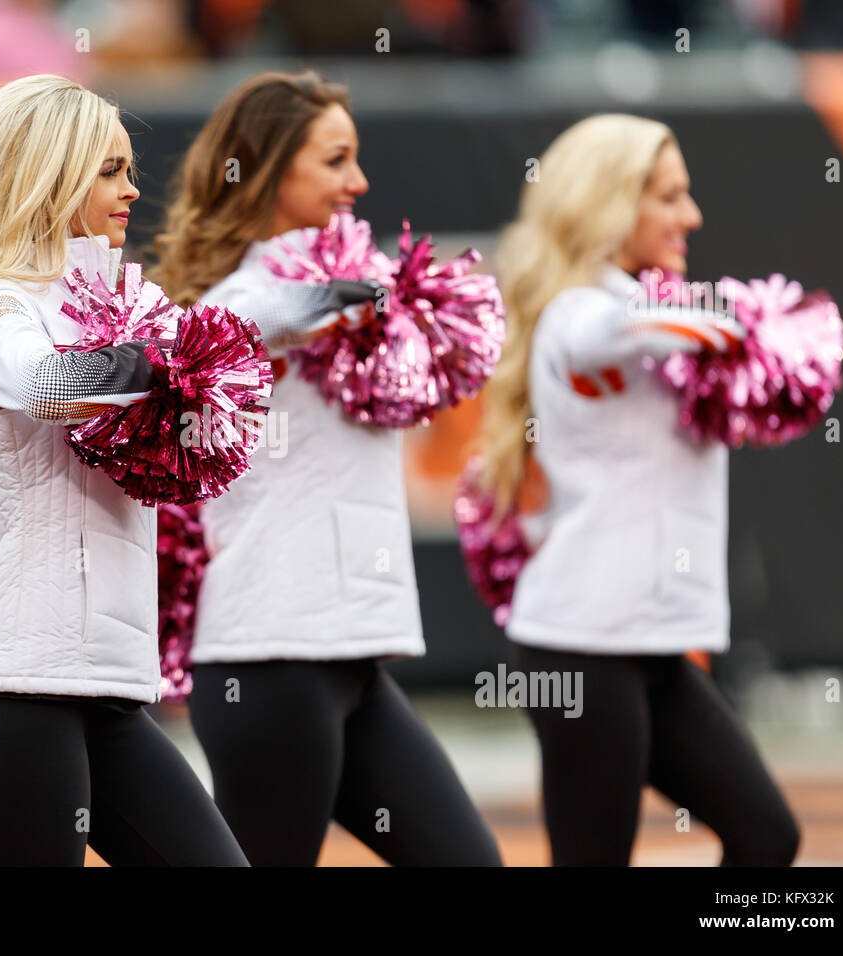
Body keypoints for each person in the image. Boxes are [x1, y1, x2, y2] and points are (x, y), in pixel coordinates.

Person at [151, 70, 502, 867]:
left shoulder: (336, 299)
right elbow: (267, 312)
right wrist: (369, 294)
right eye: (336, 160)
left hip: (348, 658)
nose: (360, 181)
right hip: (269, 657)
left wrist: (367, 297)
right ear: (271, 170)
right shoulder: (239, 307)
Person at [0, 74, 248, 867]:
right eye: (109, 170)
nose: (132, 189)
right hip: (16, 682)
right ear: (43, 174)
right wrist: (174, 362)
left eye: (129, 169)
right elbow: (47, 385)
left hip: (108, 684)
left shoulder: (122, 305)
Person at [478, 113, 801, 866]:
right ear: (609, 204)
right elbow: (610, 333)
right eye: (668, 197)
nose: (691, 216)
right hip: (581, 646)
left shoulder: (649, 315)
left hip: (648, 642)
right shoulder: (580, 317)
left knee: (767, 836)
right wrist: (737, 321)